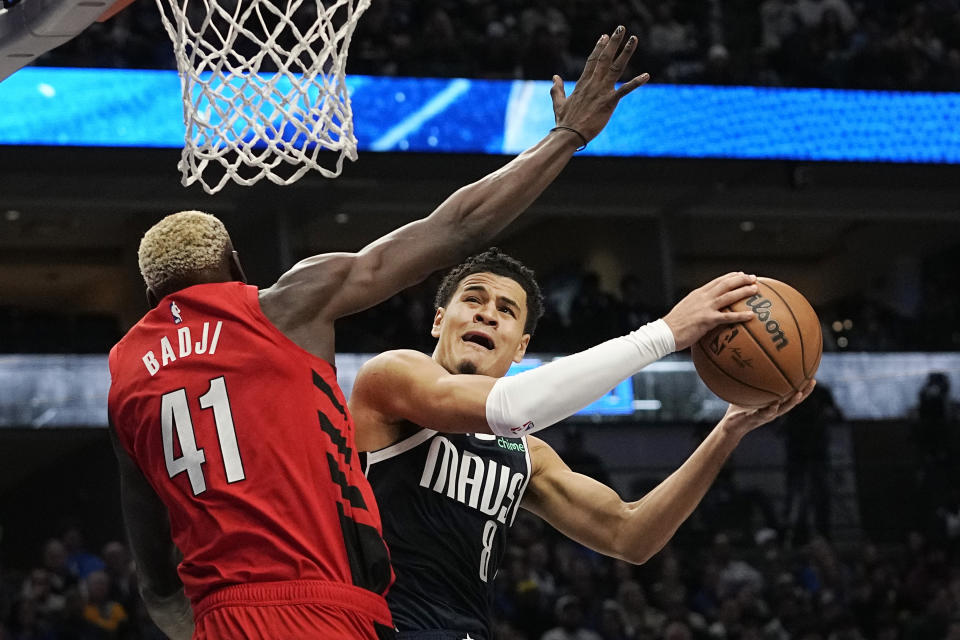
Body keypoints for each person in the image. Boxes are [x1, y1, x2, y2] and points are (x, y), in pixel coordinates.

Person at [107, 26, 649, 640]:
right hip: (318, 604)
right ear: (236, 271)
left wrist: (185, 616)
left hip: (219, 617)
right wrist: (566, 137)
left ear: (153, 300)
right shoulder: (281, 305)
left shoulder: (125, 374)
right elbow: (457, 229)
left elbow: (151, 558)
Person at [350, 248, 814, 640]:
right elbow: (509, 407)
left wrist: (729, 430)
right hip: (372, 627)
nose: (487, 312)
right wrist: (664, 333)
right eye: (473, 299)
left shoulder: (525, 456)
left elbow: (629, 536)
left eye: (506, 310)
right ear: (438, 321)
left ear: (520, 349)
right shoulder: (393, 376)